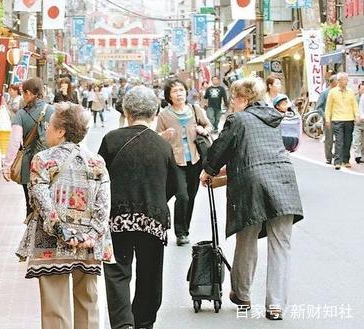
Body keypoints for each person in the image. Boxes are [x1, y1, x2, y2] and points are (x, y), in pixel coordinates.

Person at [200, 77, 304, 321]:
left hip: (252, 185)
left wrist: (209, 170)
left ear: (244, 99)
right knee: (281, 246)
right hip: (284, 180)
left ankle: (242, 294)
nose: (232, 103)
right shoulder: (274, 117)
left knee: (246, 239)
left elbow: (220, 149)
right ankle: (275, 306)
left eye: (234, 98)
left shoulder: (238, 119)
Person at [16, 102, 113, 329]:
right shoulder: (96, 161)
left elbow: (41, 199)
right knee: (88, 301)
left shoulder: (43, 159)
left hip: (50, 241)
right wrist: (91, 234)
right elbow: (104, 205)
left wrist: (62, 231)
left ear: (61, 131)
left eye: (49, 126)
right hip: (88, 242)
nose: (46, 130)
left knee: (54, 306)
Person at [98, 87, 178, 329]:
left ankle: (123, 324)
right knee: (149, 273)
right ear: (154, 113)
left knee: (118, 272)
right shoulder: (162, 146)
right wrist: (154, 200)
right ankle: (144, 322)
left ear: (126, 111)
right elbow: (173, 185)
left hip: (117, 218)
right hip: (152, 219)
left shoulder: (111, 139)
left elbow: (99, 179)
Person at [156, 78, 213, 246]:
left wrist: (203, 129)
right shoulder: (164, 114)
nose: (179, 94)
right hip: (175, 161)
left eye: (181, 90)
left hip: (195, 159)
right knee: (182, 196)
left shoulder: (195, 109)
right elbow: (156, 136)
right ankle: (180, 232)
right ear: (169, 95)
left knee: (192, 196)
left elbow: (209, 126)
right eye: (175, 91)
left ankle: (185, 229)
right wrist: (164, 136)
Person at [2, 78, 56, 218]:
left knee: (30, 205)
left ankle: (31, 235)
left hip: (29, 165)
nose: (23, 96)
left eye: (23, 93)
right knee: (50, 203)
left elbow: (14, 141)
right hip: (51, 164)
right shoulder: (53, 111)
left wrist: (7, 165)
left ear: (28, 93)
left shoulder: (21, 114)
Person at [325, 72, 360, 169]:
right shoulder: (332, 92)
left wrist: (357, 115)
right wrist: (328, 119)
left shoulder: (351, 91)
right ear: (339, 81)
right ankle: (338, 161)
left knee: (348, 141)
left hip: (349, 119)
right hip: (337, 119)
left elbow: (354, 105)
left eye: (347, 80)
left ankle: (346, 160)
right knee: (339, 141)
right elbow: (328, 107)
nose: (346, 82)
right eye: (344, 80)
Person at [316, 75, 338, 164]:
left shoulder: (338, 92)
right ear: (332, 82)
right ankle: (328, 157)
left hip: (338, 118)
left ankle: (337, 157)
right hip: (328, 119)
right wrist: (325, 116)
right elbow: (319, 107)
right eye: (337, 81)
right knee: (329, 139)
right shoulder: (325, 93)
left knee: (339, 139)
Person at [351, 82, 364, 163]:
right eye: (362, 89)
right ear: (358, 89)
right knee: (357, 139)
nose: (363, 91)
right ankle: (357, 156)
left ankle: (362, 156)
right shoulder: (355, 98)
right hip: (357, 122)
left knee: (363, 141)